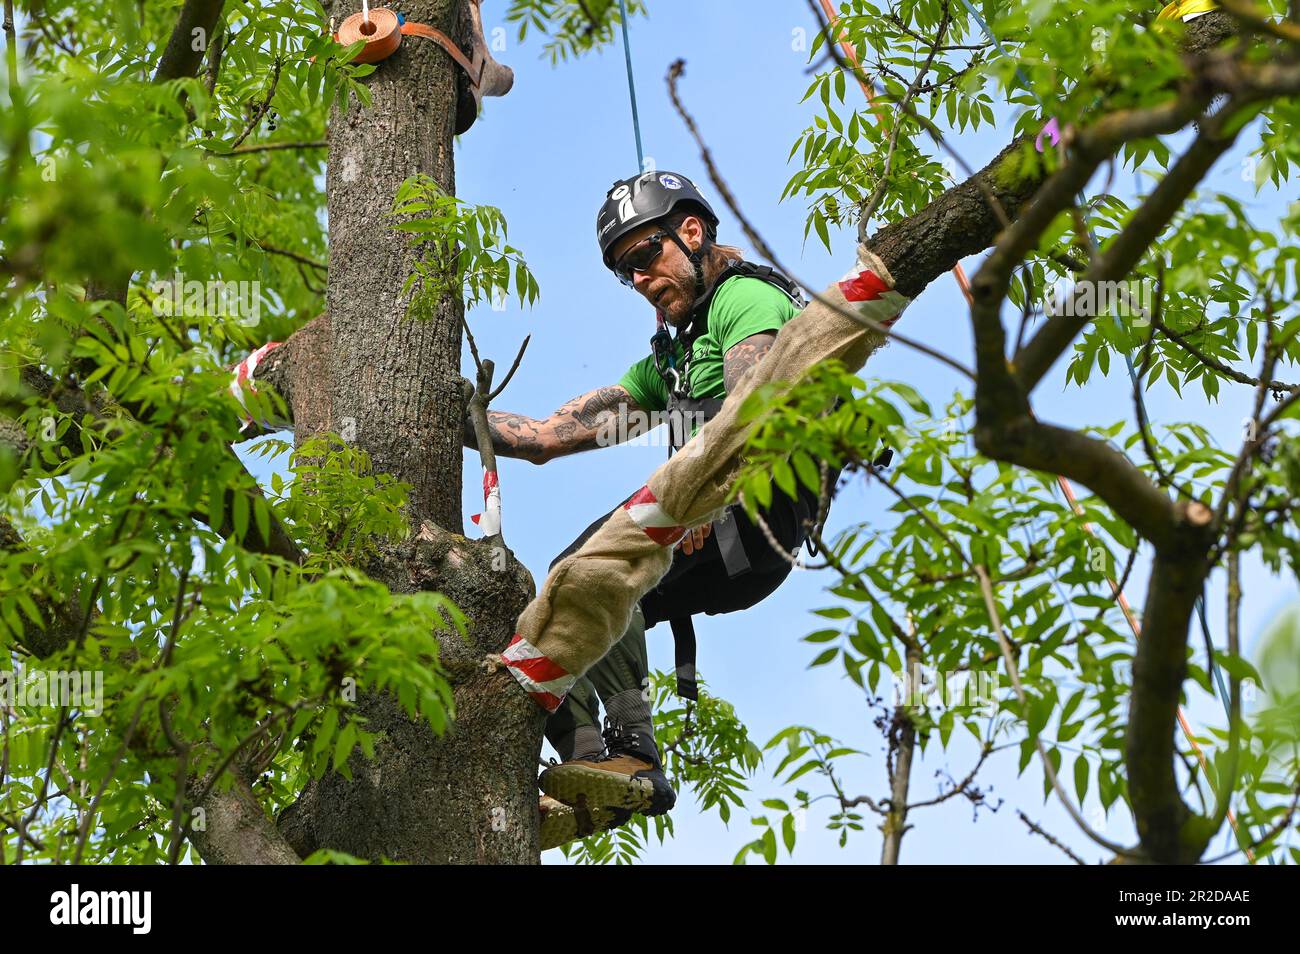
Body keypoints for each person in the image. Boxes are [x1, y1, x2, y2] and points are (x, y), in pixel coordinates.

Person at [462, 170, 840, 849]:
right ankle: (590, 770)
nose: (638, 279)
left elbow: (754, 417)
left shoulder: (745, 299)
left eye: (644, 257)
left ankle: (632, 752)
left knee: (593, 576)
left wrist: (695, 508)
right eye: (623, 272)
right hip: (712, 516)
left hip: (753, 512)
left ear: (691, 232)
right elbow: (551, 437)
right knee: (542, 606)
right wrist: (457, 414)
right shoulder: (671, 356)